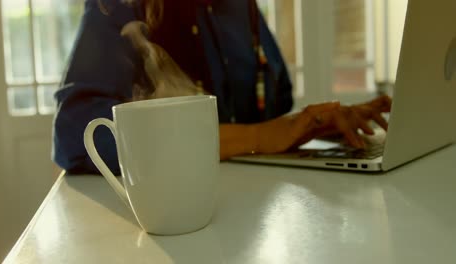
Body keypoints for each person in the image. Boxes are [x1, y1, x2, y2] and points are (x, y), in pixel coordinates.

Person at [53, 0, 392, 175]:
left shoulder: (241, 8)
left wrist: (318, 124)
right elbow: (74, 134)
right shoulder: (123, 7)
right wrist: (257, 138)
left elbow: (272, 109)